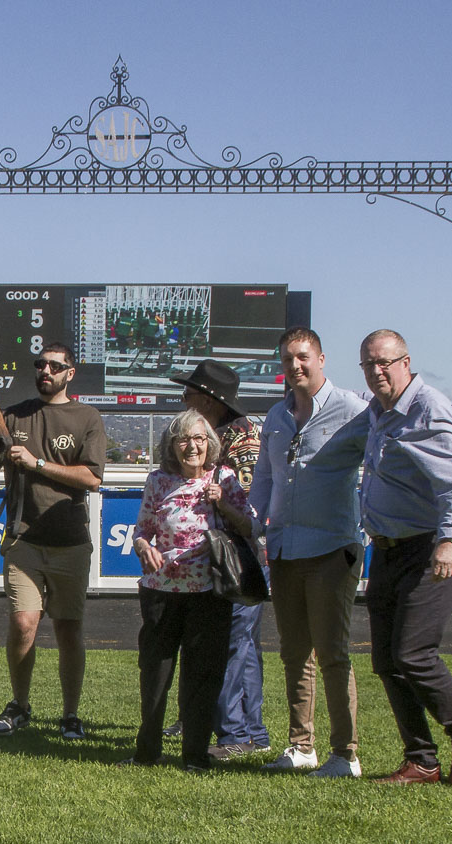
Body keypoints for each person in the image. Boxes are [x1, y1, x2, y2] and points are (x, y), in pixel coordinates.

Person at [0, 342, 106, 740]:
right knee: (23, 624)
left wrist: (38, 464)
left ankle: (70, 714)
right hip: (23, 540)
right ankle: (20, 705)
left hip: (70, 541)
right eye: (40, 365)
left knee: (69, 630)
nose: (45, 371)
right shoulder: (14, 414)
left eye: (55, 366)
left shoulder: (86, 416)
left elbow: (92, 478)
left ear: (70, 373)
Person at [356, 329, 452, 786]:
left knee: (413, 653)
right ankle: (421, 760)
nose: (377, 372)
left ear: (406, 362)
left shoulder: (429, 408)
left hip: (431, 546)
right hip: (388, 549)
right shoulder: (376, 413)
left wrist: (450, 539)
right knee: (386, 661)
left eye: (385, 363)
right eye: (369, 365)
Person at [249, 328, 369, 778]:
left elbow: (378, 462)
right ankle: (302, 746)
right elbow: (264, 476)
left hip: (333, 547)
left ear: (321, 358)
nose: (294, 366)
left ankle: (346, 754)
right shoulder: (277, 416)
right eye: (286, 360)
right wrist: (256, 524)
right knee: (294, 652)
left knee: (333, 652)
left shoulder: (354, 411)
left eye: (302, 357)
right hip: (283, 548)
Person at [126, 410, 258, 770]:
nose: (192, 446)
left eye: (199, 439)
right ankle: (147, 751)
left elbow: (250, 527)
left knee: (203, 675)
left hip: (209, 591)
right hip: (161, 590)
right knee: (155, 673)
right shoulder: (158, 481)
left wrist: (223, 503)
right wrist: (144, 548)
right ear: (172, 445)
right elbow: (142, 530)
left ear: (210, 444)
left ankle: (195, 755)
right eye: (184, 439)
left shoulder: (225, 478)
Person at [169, 359, 269, 758]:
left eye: (189, 395)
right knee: (240, 645)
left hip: (236, 554)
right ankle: (246, 731)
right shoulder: (223, 433)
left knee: (232, 643)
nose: (183, 401)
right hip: (225, 553)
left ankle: (236, 735)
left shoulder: (242, 439)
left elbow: (246, 503)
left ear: (210, 401)